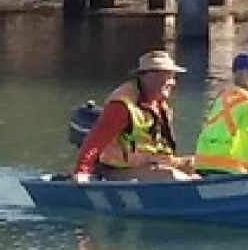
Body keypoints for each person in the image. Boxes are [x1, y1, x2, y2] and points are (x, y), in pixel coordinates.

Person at [72, 50, 197, 183]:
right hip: (115, 170)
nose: (172, 83)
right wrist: (81, 171)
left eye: (173, 77)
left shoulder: (160, 105)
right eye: (167, 76)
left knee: (196, 165)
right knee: (172, 176)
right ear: (148, 76)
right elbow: (94, 142)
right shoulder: (122, 105)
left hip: (151, 164)